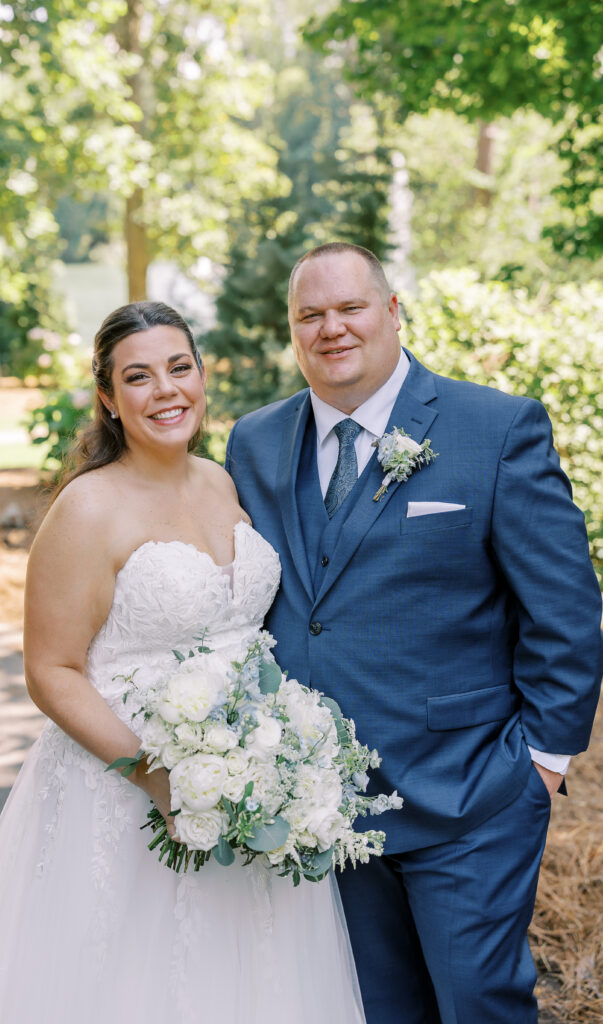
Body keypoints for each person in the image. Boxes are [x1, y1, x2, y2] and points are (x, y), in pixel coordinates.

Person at [0, 301, 365, 1023]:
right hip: (125, 792)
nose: (165, 391)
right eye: (138, 377)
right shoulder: (88, 509)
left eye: (178, 367)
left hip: (250, 786)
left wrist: (276, 760)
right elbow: (51, 670)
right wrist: (155, 775)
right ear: (108, 399)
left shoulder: (223, 483)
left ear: (200, 375)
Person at [226, 242, 602, 1024]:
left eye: (349, 308)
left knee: (477, 1007)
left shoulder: (493, 429)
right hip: (319, 806)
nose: (331, 328)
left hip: (468, 793)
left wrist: (540, 760)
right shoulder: (254, 443)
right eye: (309, 315)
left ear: (392, 312)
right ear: (292, 330)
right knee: (370, 1009)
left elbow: (564, 611)